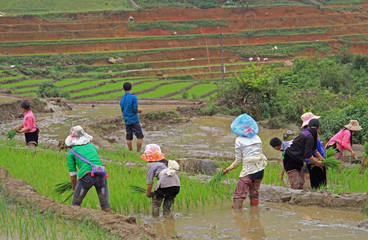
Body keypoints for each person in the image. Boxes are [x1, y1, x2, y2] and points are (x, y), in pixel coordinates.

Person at [223, 113, 267, 209]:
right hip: (260, 169)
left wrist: (228, 169)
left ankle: (237, 216)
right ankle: (255, 215)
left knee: (238, 195)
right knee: (254, 194)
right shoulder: (257, 138)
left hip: (249, 171)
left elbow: (238, 160)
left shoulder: (239, 140)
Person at [65, 126, 111, 212]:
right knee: (105, 205)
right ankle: (111, 220)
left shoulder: (71, 152)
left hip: (87, 177)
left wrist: (74, 188)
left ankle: (76, 222)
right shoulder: (91, 146)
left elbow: (73, 175)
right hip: (101, 174)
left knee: (76, 203)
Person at [141, 144, 180, 217]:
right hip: (176, 185)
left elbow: (150, 182)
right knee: (167, 208)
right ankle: (169, 222)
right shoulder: (165, 163)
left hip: (164, 185)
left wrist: (148, 193)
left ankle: (156, 222)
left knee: (155, 204)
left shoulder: (150, 165)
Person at [283, 119, 324, 189]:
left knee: (301, 182)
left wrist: (322, 159)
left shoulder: (310, 133)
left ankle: (300, 198)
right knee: (295, 183)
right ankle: (293, 198)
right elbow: (307, 154)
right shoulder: (309, 136)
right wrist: (317, 162)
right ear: (318, 128)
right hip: (290, 158)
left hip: (298, 159)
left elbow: (313, 149)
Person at [300, 112, 326, 189]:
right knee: (318, 184)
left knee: (320, 184)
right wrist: (321, 160)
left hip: (317, 160)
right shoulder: (309, 135)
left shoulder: (312, 133)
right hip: (315, 161)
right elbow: (313, 150)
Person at [120, 82, 144, 152]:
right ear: (131, 88)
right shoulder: (133, 97)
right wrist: (139, 111)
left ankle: (130, 151)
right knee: (140, 137)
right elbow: (135, 109)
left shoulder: (122, 99)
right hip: (134, 120)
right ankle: (138, 151)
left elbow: (122, 110)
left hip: (127, 121)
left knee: (129, 137)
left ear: (123, 89)